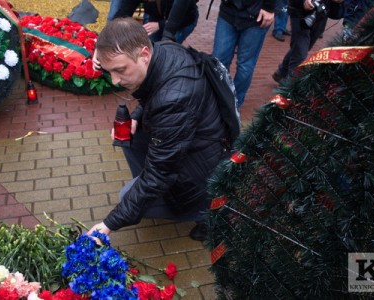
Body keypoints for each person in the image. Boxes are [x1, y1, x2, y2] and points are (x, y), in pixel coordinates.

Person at [87, 17, 231, 241]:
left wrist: (109, 224)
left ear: (144, 55)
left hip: (203, 167)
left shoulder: (175, 99)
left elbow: (159, 174)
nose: (114, 80)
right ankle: (146, 193)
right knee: (128, 136)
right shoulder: (161, 50)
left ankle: (208, 211)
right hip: (195, 141)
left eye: (120, 70)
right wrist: (135, 117)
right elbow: (152, 93)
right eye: (109, 71)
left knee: (128, 193)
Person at [212, 0, 275, 109]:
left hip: (256, 15)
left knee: (245, 65)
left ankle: (234, 104)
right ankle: (218, 98)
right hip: (229, 10)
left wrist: (269, 7)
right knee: (219, 60)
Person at [272, 0, 345, 83]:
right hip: (300, 13)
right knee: (300, 53)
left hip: (320, 16)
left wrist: (339, 2)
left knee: (301, 48)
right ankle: (290, 89)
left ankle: (281, 72)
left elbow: (336, 14)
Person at [111, 0, 199, 43]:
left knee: (167, 54)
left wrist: (160, 25)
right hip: (157, 17)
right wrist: (106, 36)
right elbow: (123, 13)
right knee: (152, 48)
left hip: (183, 22)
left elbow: (185, 17)